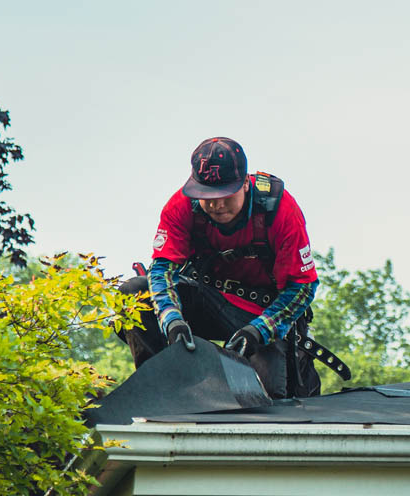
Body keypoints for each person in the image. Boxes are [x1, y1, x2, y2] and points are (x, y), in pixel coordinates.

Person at [118, 136, 321, 398]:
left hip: (261, 313)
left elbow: (302, 287)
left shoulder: (281, 210)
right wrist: (172, 320)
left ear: (245, 183)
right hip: (206, 299)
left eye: (225, 195)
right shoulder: (180, 206)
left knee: (264, 397)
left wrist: (259, 331)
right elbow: (161, 271)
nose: (216, 205)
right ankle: (161, 389)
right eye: (207, 196)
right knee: (135, 293)